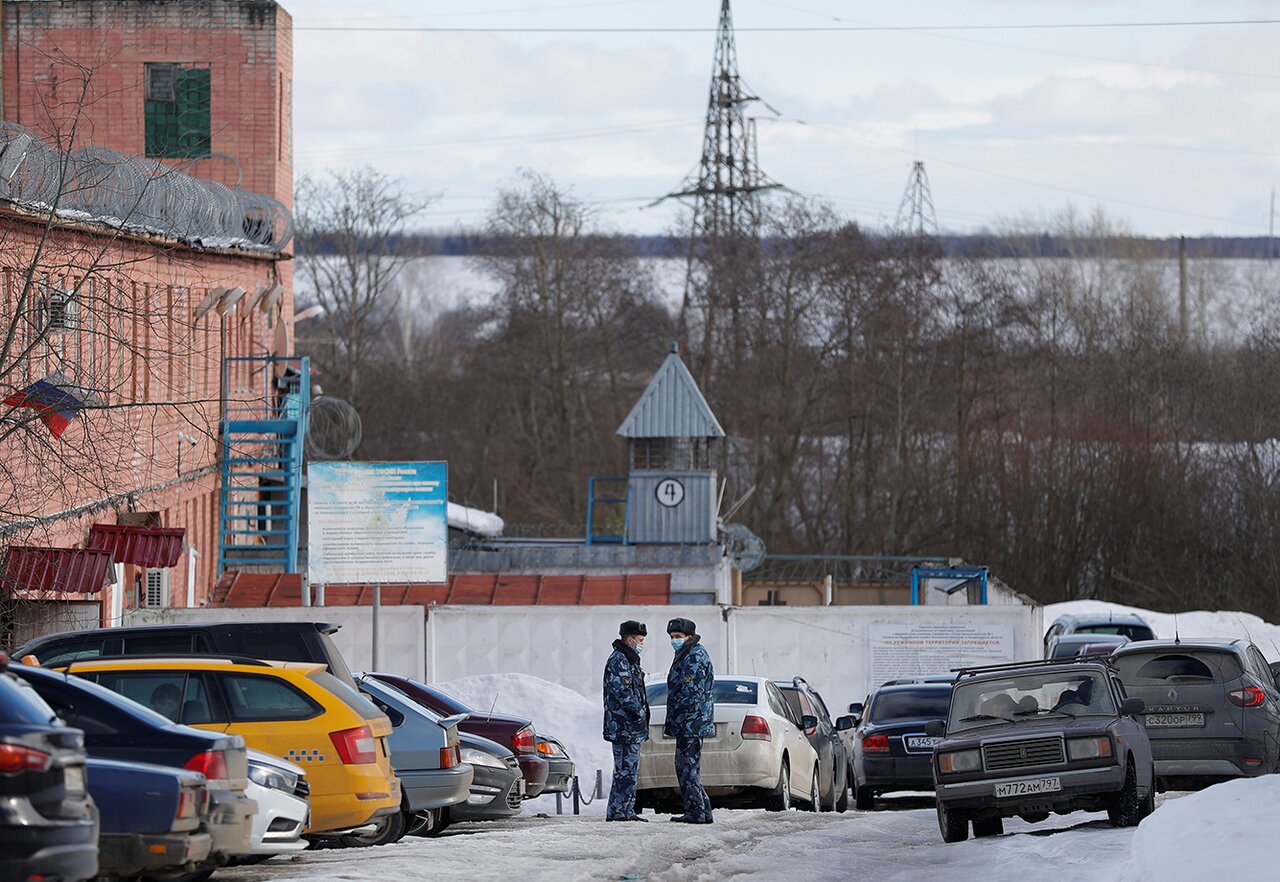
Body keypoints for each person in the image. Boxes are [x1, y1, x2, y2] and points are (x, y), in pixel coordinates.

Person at [664, 617, 714, 824]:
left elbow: (690, 694)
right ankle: (704, 810)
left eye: (678, 637)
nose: (674, 640)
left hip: (690, 722)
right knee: (688, 767)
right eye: (672, 637)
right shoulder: (685, 654)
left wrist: (679, 717)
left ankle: (696, 812)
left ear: (689, 637)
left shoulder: (693, 657)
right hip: (689, 722)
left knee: (686, 767)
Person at [603, 619, 650, 822]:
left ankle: (621, 810)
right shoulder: (619, 660)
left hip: (629, 727)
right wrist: (638, 712)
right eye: (640, 639)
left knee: (627, 770)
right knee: (626, 771)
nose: (642, 644)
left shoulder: (629, 659)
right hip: (624, 726)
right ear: (630, 639)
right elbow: (622, 692)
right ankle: (621, 812)